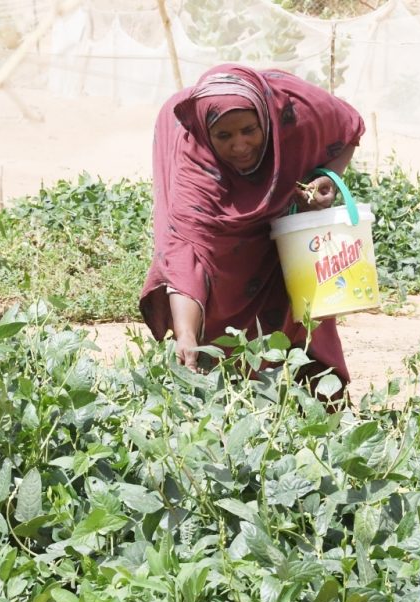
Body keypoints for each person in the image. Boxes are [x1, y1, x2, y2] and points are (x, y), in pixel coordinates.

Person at [139, 64, 365, 391]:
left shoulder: (296, 111)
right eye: (224, 136)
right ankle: (226, 389)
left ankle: (307, 399)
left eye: (249, 130)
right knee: (219, 324)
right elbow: (187, 257)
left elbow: (350, 128)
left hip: (283, 213)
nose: (240, 146)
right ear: (206, 134)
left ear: (266, 120)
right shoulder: (193, 171)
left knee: (294, 296)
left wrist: (327, 177)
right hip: (224, 239)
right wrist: (186, 335)